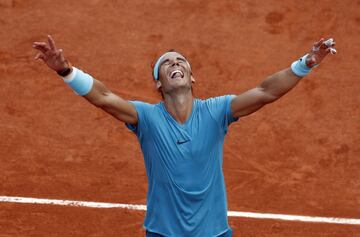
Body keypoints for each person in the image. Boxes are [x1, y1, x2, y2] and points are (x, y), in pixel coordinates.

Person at [33, 35, 336, 237]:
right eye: (165, 63)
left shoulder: (217, 111)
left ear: (192, 77)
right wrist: (66, 71)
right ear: (158, 84)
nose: (174, 64)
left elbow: (265, 92)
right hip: (162, 232)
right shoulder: (147, 118)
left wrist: (305, 63)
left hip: (214, 232)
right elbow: (104, 96)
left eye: (180, 61)